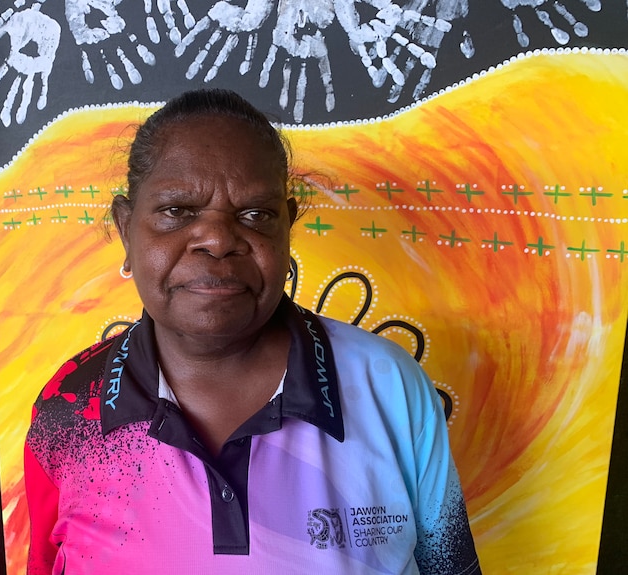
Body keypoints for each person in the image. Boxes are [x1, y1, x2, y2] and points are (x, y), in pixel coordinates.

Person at [24, 88, 480, 574]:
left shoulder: (387, 385)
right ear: (125, 229)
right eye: (177, 210)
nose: (218, 240)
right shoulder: (70, 408)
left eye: (255, 215)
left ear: (286, 227)